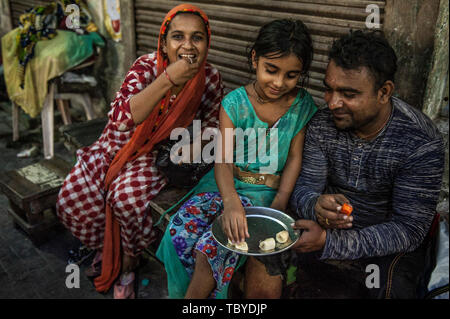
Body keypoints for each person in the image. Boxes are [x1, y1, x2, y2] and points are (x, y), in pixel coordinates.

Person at [56, 4, 223, 298]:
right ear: (164, 41)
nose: (187, 45)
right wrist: (169, 79)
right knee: (70, 200)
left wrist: (191, 148)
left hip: (155, 156)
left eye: (197, 38)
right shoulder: (146, 67)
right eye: (178, 37)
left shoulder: (209, 78)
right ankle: (107, 249)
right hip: (117, 145)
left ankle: (129, 264)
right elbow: (121, 119)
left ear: (207, 43)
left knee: (126, 199)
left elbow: (211, 125)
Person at [157, 19, 317, 299]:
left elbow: (294, 158)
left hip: (265, 197)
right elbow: (223, 161)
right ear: (255, 59)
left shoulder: (302, 106)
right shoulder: (235, 103)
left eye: (292, 75)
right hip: (223, 186)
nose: (279, 83)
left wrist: (279, 204)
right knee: (179, 231)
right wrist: (230, 202)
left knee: (214, 247)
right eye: (271, 70)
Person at [290, 29, 445, 299]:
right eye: (328, 89)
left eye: (348, 93)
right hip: (325, 230)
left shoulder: (420, 141)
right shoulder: (321, 125)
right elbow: (303, 189)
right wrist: (315, 205)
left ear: (384, 92)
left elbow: (408, 230)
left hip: (388, 245)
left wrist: (331, 243)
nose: (333, 102)